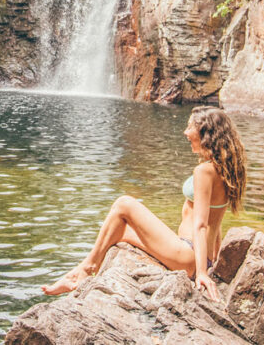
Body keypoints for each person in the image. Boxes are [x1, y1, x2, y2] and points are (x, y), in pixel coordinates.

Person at [42, 106, 247, 300]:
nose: (185, 132)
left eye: (190, 127)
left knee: (124, 204)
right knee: (118, 230)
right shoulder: (226, 170)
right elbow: (216, 222)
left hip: (188, 254)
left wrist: (202, 273)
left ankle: (83, 272)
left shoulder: (203, 172)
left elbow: (201, 225)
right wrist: (214, 262)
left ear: (205, 133)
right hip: (198, 255)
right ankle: (80, 272)